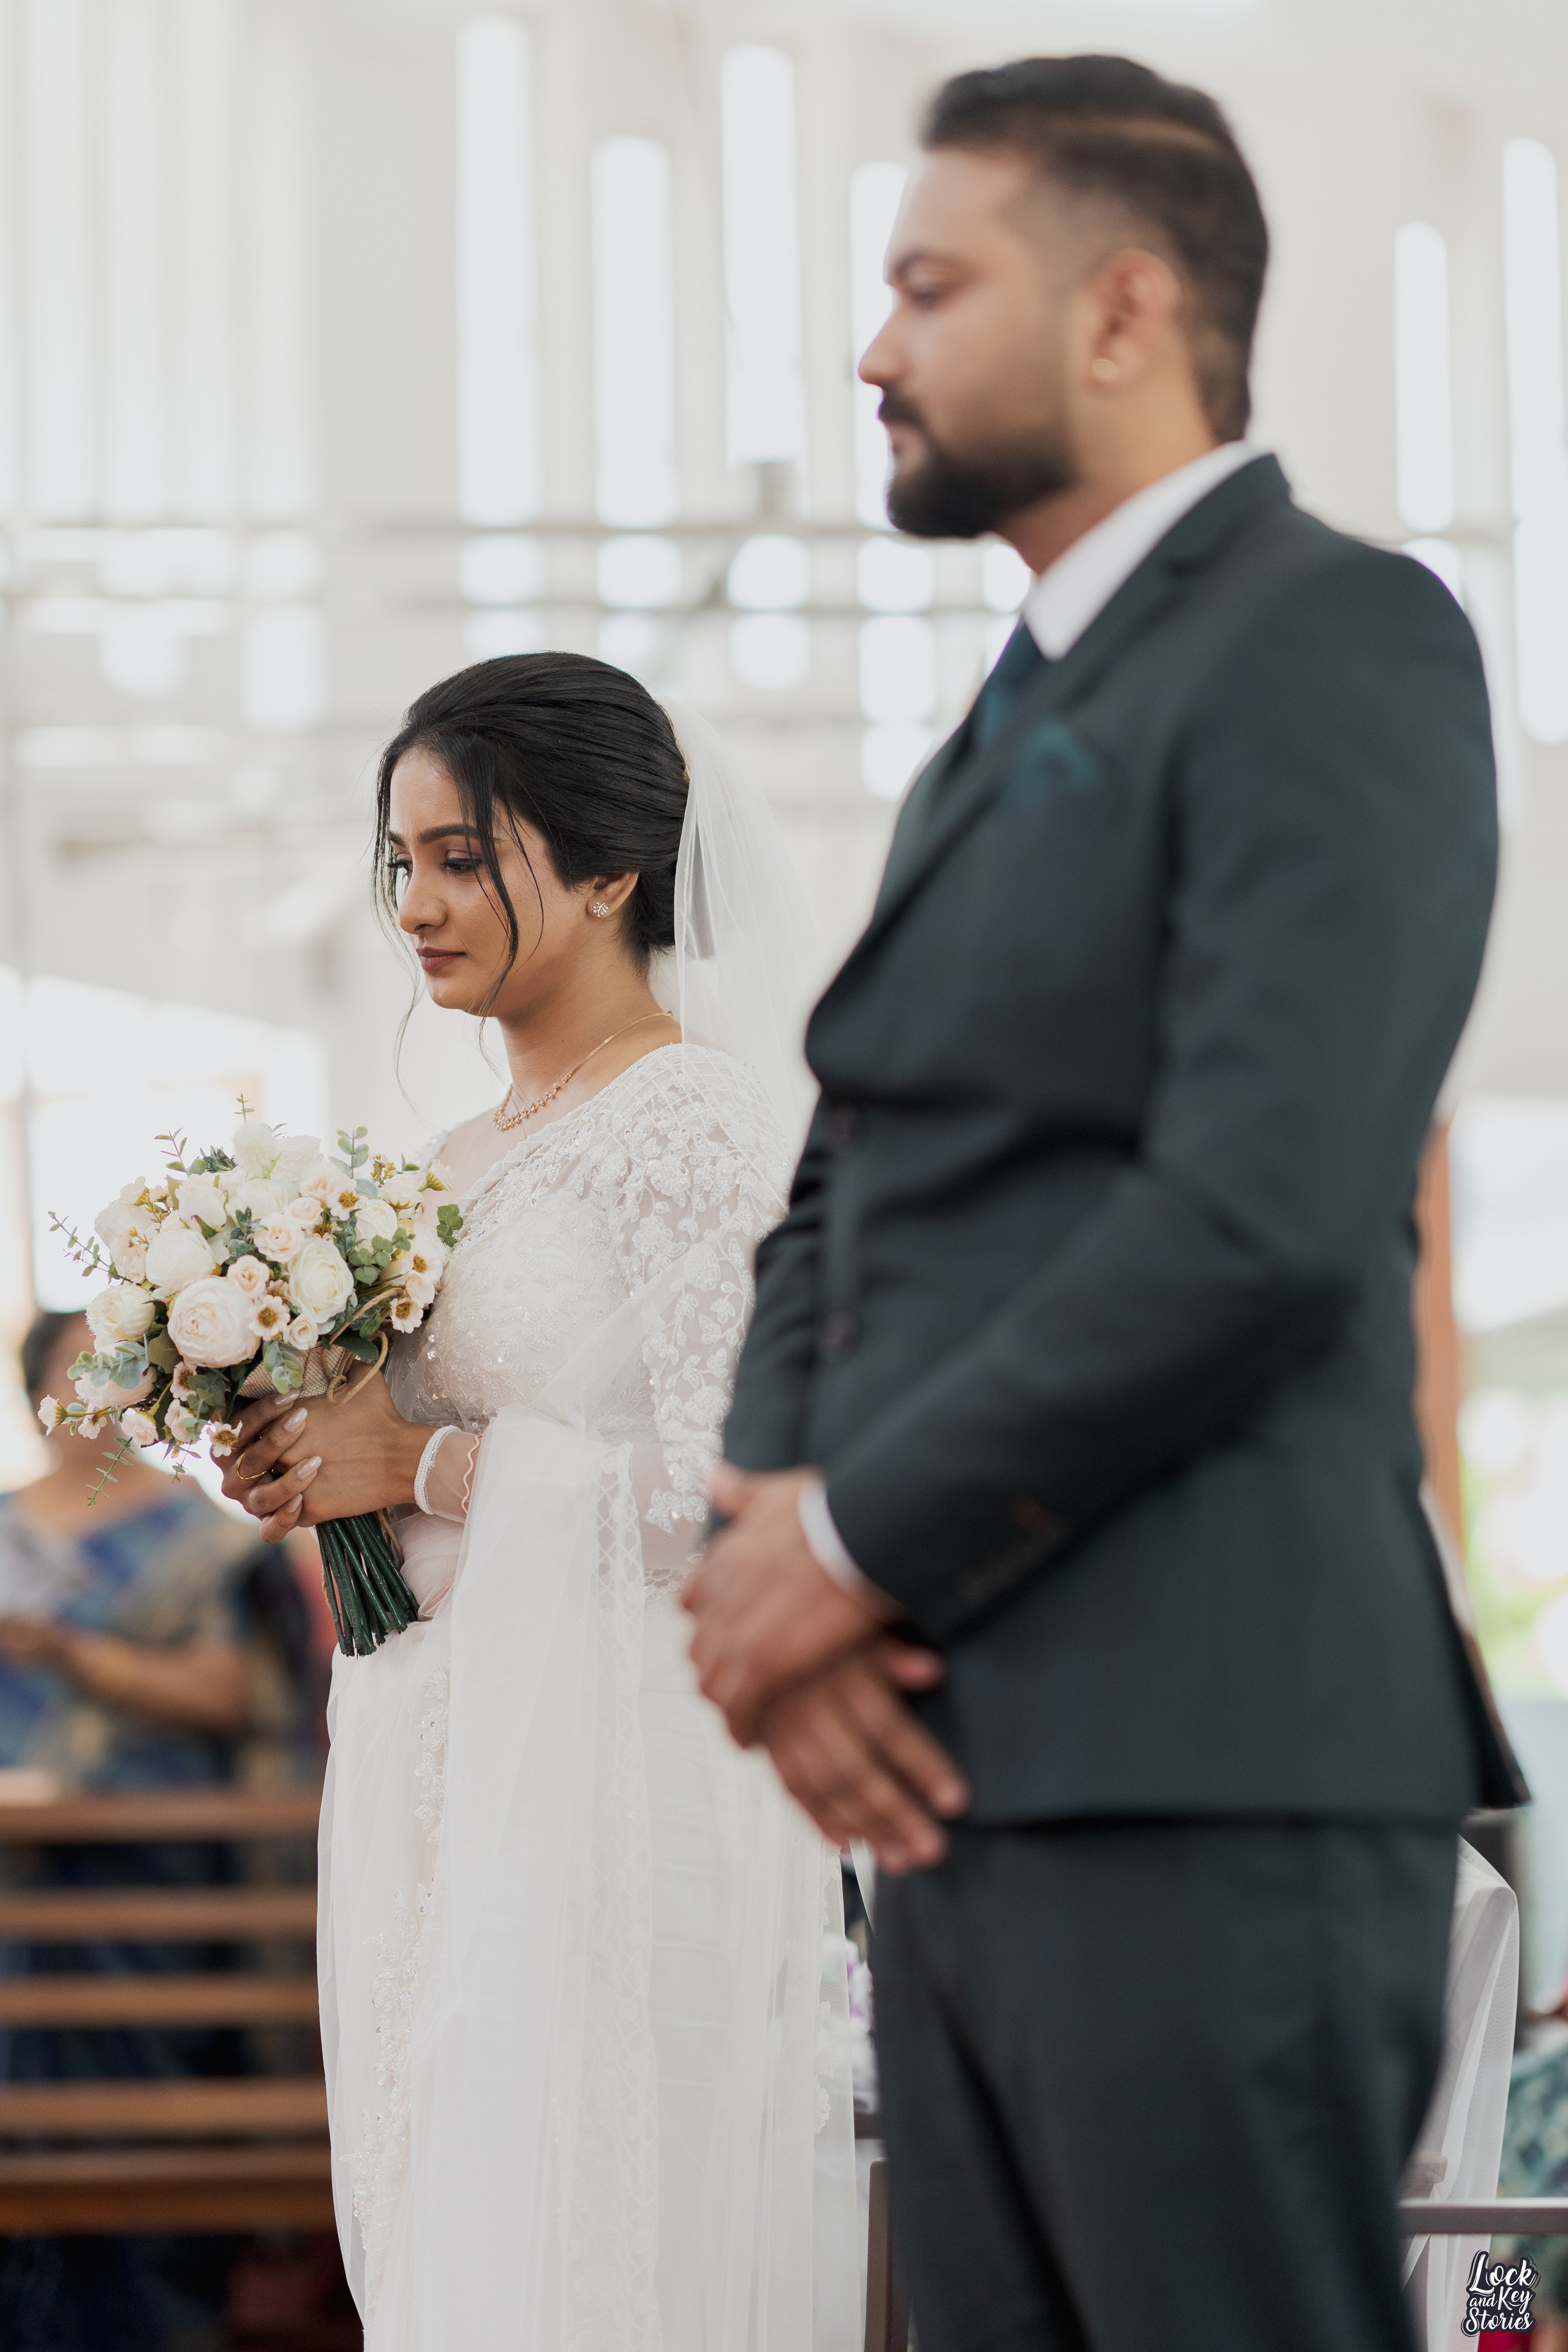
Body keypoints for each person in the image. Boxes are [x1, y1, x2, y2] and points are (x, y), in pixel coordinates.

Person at [685, 53, 1519, 2352]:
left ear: (1129, 307)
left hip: (1204, 1771)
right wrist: (766, 1535)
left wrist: (847, 1558)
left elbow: (1257, 1208)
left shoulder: (1337, 640)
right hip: (956, 1785)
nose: (875, 352)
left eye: (930, 289)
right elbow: (843, 1170)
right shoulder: (994, 721)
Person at [220, 654, 859, 2352]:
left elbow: (730, 1497)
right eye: (402, 862)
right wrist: (302, 1452)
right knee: (458, 2233)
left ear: (608, 873)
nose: (417, 905)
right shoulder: (460, 1160)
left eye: (461, 859)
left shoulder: (694, 1130)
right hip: (441, 1752)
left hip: (609, 1778)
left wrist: (416, 1468)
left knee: (591, 2236)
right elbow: (407, 1451)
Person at [0, 1308, 281, 2350]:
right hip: (10, 1867)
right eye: (71, 1375)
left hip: (145, 1865)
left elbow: (237, 1695)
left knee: (138, 2111)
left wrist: (75, 1655)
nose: (89, 1397)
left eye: (112, 1375)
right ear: (35, 1393)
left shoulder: (199, 1535)